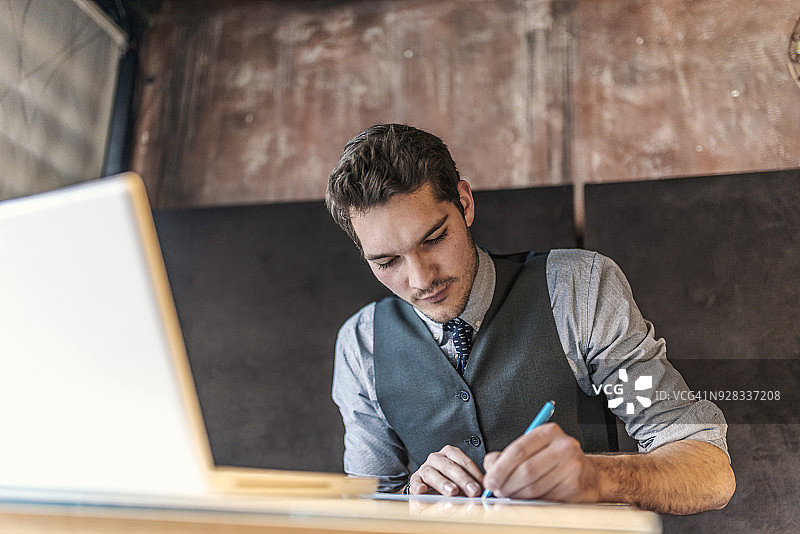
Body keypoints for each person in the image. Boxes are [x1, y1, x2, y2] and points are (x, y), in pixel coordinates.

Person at [325, 123, 735, 514]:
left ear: (464, 203)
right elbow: (368, 510)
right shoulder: (362, 346)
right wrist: (411, 498)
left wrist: (598, 476)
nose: (421, 279)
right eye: (387, 261)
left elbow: (708, 472)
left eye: (434, 239)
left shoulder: (577, 293)